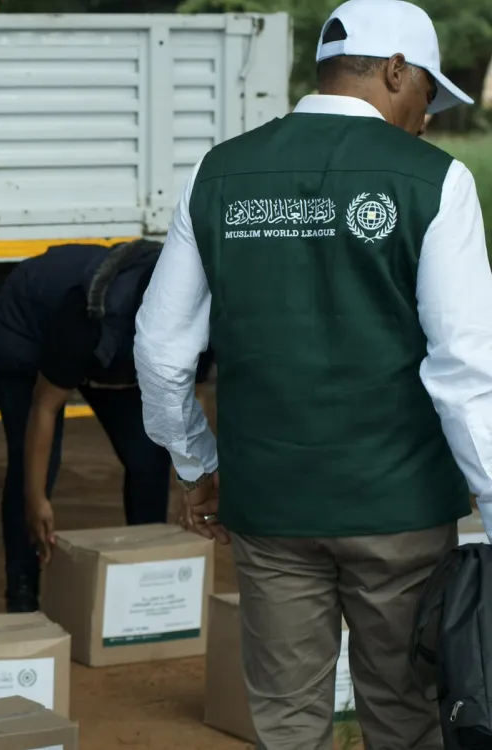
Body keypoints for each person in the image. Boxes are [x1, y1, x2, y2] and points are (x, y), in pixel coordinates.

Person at [133, 1, 492, 748]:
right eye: (427, 92)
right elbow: (466, 371)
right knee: (405, 712)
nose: (426, 117)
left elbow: (162, 350)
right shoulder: (436, 181)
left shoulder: (219, 171)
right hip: (401, 509)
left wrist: (199, 464)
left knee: (288, 719)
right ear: (396, 70)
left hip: (270, 506)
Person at [0, 239, 213, 612]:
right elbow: (45, 405)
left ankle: (146, 581)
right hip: (28, 330)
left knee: (148, 457)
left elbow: (190, 399)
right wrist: (37, 499)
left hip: (110, 351)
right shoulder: (92, 316)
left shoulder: (201, 313)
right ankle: (22, 593)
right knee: (34, 470)